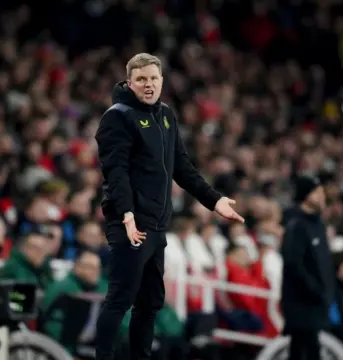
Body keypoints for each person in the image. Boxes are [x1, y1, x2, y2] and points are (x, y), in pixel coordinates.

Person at [94, 52, 243, 360]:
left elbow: (182, 168)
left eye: (153, 79)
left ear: (162, 81)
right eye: (141, 80)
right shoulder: (117, 116)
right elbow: (116, 171)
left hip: (158, 225)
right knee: (120, 298)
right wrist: (126, 214)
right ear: (129, 82)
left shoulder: (166, 115)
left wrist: (214, 200)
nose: (148, 85)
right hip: (131, 224)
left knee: (149, 303)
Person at [281, 175, 334, 360]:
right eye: (318, 192)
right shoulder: (296, 225)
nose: (323, 196)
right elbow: (294, 265)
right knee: (303, 351)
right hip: (301, 307)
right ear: (306, 195)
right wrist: (315, 289)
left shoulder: (317, 224)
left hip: (316, 306)